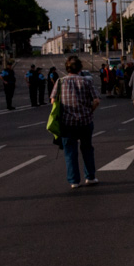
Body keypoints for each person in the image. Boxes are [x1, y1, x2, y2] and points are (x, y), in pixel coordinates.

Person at [52, 55, 100, 189]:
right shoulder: (86, 82)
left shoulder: (60, 82)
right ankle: (90, 177)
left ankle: (74, 181)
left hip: (67, 123)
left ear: (67, 68)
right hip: (85, 121)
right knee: (87, 148)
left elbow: (53, 101)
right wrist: (90, 110)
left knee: (70, 152)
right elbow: (96, 100)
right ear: (80, 68)